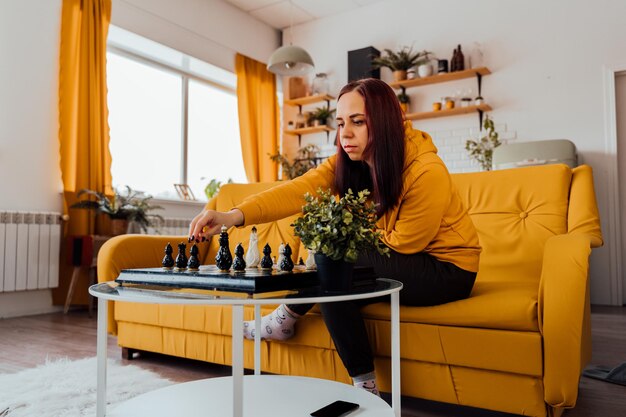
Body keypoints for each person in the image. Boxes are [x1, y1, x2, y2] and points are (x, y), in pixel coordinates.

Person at [188, 78, 481, 396]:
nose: (346, 134)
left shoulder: (426, 170)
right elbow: (297, 190)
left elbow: (407, 244)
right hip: (401, 262)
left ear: (383, 122)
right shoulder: (350, 162)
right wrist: (232, 216)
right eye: (341, 123)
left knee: (334, 258)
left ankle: (284, 317)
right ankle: (365, 388)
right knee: (333, 279)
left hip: (446, 271)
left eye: (358, 122)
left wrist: (341, 237)